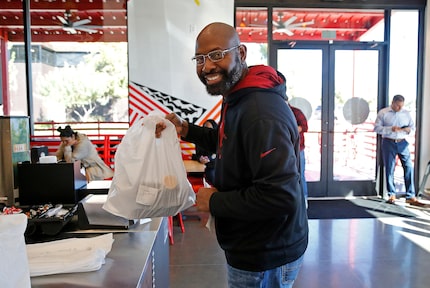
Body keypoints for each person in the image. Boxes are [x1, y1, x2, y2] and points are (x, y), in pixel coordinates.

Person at [156, 22, 308, 288]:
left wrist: (214, 201)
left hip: (265, 255)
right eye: (200, 59)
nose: (206, 67)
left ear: (242, 53)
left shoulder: (260, 112)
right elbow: (231, 142)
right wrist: (186, 129)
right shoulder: (237, 96)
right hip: (252, 245)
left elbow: (280, 197)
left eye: (216, 55)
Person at [374, 95, 422, 206]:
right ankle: (391, 194)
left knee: (409, 167)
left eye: (401, 106)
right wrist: (389, 128)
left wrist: (408, 129)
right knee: (390, 169)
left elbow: (413, 128)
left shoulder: (406, 113)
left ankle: (410, 196)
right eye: (398, 106)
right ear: (393, 103)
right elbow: (376, 128)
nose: (400, 108)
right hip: (388, 142)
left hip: (402, 142)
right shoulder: (383, 113)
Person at [289, 104, 308, 207]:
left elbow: (305, 127)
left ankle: (304, 200)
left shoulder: (296, 112)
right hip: (286, 150)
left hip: (299, 149)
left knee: (301, 175)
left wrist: (290, 128)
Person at [191, 119, 218, 186]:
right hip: (200, 168)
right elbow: (197, 155)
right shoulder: (200, 140)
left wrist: (208, 160)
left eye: (210, 129)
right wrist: (200, 158)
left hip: (214, 167)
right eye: (205, 128)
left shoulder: (219, 140)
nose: (207, 131)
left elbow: (221, 156)